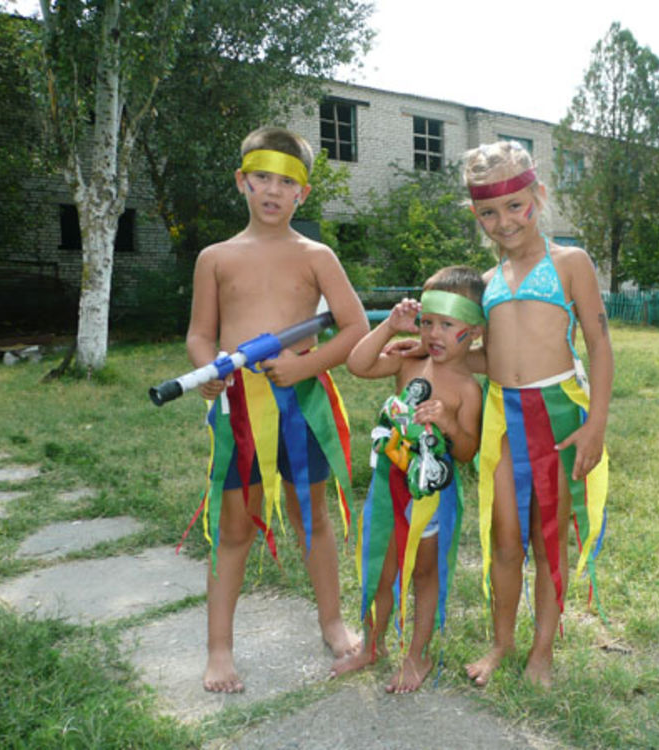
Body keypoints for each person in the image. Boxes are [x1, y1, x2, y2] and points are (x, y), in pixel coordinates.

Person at [185, 126, 368, 693]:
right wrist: (209, 371)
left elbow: (354, 328)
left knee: (312, 516)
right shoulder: (215, 258)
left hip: (302, 403)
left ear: (302, 193)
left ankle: (333, 623)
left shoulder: (317, 256)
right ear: (242, 181)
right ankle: (219, 649)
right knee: (235, 525)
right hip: (239, 406)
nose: (272, 190)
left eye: (286, 182)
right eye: (262, 177)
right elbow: (200, 334)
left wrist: (305, 368)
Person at [462, 141, 613, 688]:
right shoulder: (487, 282)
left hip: (557, 417)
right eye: (488, 213)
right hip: (504, 421)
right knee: (505, 540)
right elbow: (490, 358)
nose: (504, 222)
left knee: (550, 537)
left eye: (515, 206)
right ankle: (501, 643)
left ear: (539, 196)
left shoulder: (570, 263)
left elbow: (599, 344)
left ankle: (541, 653)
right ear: (476, 215)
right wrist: (440, 354)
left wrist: (595, 424)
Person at [333, 266, 484, 693]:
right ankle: (371, 645)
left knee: (423, 573)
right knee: (379, 568)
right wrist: (389, 326)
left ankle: (418, 655)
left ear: (473, 331)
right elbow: (358, 364)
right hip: (388, 483)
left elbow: (467, 451)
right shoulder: (410, 360)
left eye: (447, 325)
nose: (434, 334)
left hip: (429, 495)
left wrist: (449, 423)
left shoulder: (468, 389)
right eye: (427, 322)